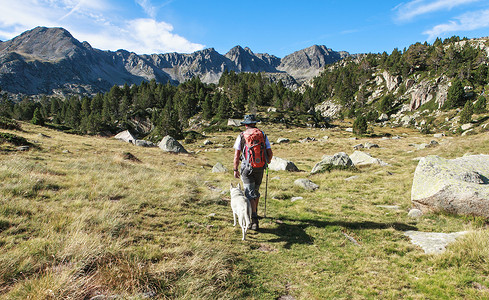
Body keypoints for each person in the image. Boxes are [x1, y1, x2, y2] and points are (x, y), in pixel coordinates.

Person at [233, 114, 273, 230]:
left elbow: (237, 155)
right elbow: (270, 153)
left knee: (249, 193)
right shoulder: (262, 135)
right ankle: (255, 212)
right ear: (254, 123)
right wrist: (266, 162)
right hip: (260, 167)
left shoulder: (241, 136)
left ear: (245, 124)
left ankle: (254, 219)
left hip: (247, 168)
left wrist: (235, 169)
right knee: (255, 191)